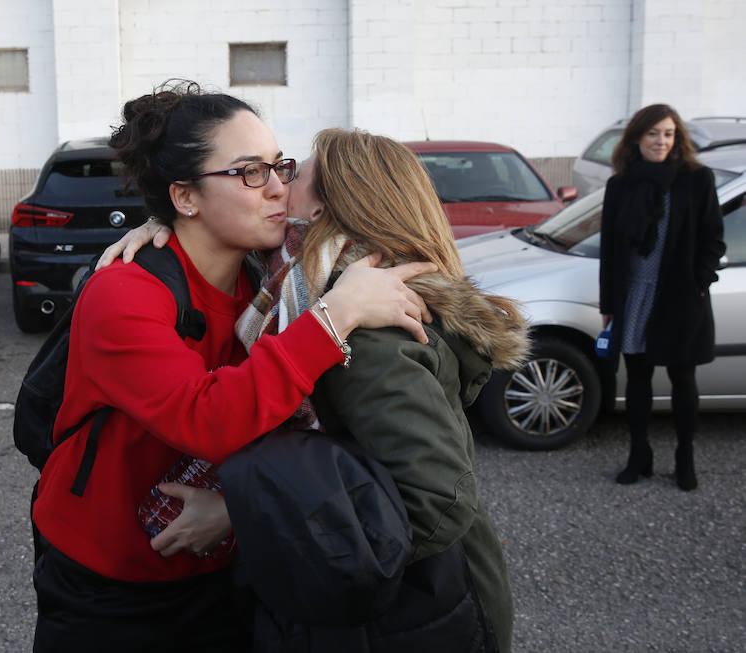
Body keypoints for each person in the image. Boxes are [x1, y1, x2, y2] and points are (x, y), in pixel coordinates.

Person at [30, 80, 436, 653]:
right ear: (186, 197)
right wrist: (333, 317)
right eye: (250, 172)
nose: (277, 189)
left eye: (281, 167)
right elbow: (207, 418)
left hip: (225, 567)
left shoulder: (267, 283)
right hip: (108, 583)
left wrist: (237, 516)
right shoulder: (123, 292)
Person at [105, 128, 530, 652]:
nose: (278, 187)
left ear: (327, 204)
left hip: (415, 615)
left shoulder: (365, 325)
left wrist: (241, 515)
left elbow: (435, 501)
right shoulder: (302, 286)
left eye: (292, 174)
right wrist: (170, 222)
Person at [599, 103, 726, 491]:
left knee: (682, 378)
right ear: (638, 137)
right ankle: (640, 456)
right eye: (654, 133)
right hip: (634, 295)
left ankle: (684, 458)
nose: (661, 141)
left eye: (669, 134)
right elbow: (609, 248)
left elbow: (713, 239)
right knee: (636, 378)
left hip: (680, 298)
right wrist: (608, 305)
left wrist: (699, 283)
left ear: (678, 138)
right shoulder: (620, 184)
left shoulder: (696, 179)